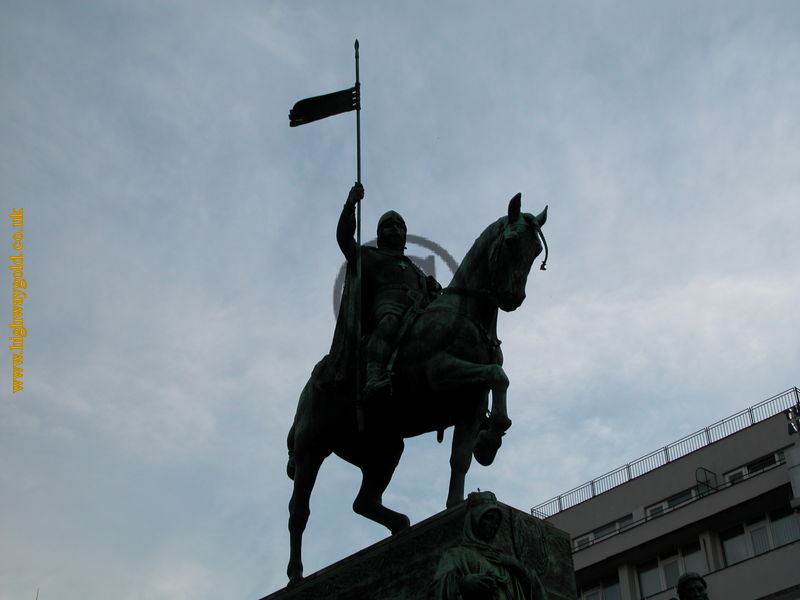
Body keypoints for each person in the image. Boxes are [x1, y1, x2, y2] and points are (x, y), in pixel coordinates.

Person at [320, 182, 440, 397]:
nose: (395, 228)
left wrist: (432, 288)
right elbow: (344, 239)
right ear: (380, 233)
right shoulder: (367, 255)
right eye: (389, 225)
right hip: (386, 307)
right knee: (389, 322)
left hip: (415, 312)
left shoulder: (414, 268)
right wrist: (350, 206)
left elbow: (430, 294)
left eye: (399, 225)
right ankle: (374, 375)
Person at [432, 491, 548, 600]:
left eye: (497, 521)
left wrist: (516, 566)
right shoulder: (456, 555)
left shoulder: (503, 561)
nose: (494, 525)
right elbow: (437, 590)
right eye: (489, 518)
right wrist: (463, 584)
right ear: (474, 519)